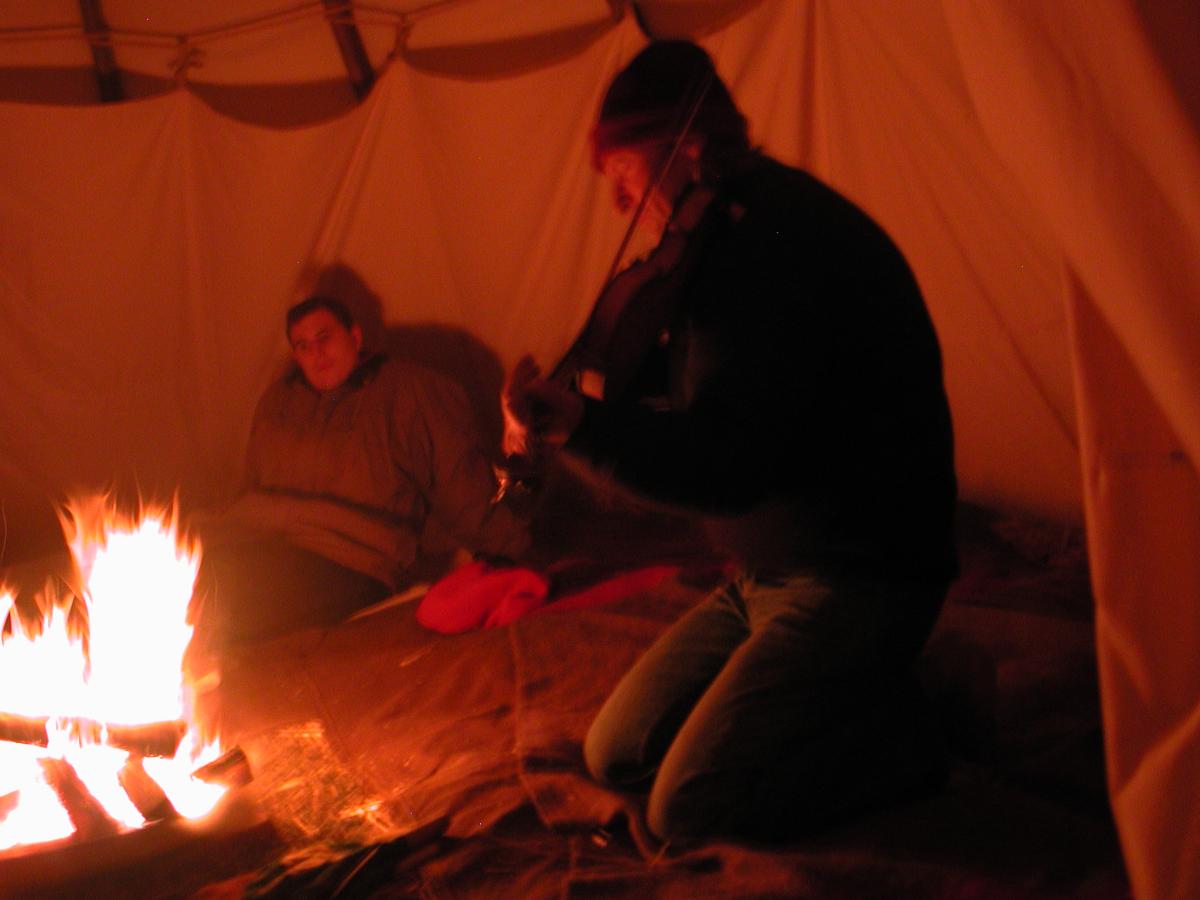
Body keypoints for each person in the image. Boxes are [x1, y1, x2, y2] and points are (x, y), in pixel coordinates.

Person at [501, 41, 958, 843]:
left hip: (857, 577)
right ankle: (836, 700)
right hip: (763, 577)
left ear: (686, 148)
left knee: (689, 809)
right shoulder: (718, 244)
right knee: (614, 756)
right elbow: (701, 396)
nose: (622, 206)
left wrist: (582, 424)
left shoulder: (772, 248)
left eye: (625, 175)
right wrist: (574, 409)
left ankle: (909, 737)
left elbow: (726, 469)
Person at [188, 295, 527, 656]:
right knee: (181, 576)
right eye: (303, 346)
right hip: (265, 539)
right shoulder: (280, 402)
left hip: (351, 557)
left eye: (325, 338)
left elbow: (463, 487)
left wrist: (513, 552)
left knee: (229, 598)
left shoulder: (408, 394)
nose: (316, 353)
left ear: (355, 336)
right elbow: (251, 485)